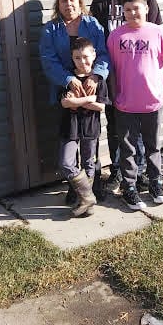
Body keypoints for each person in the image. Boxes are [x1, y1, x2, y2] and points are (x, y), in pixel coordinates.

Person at [90, 0, 162, 192]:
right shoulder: (101, 2)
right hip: (112, 77)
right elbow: (97, 42)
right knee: (114, 124)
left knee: (140, 128)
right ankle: (118, 171)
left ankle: (140, 172)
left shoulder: (147, 0)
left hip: (139, 78)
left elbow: (156, 38)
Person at [107, 0, 163, 210]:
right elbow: (110, 70)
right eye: (127, 10)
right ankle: (129, 188)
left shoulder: (158, 33)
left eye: (136, 8)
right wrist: (113, 96)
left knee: (152, 146)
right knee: (127, 148)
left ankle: (156, 182)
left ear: (146, 8)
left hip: (152, 103)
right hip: (125, 104)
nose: (132, 13)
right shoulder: (116, 36)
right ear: (122, 12)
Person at [39, 0, 110, 201]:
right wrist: (68, 79)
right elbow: (48, 60)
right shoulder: (51, 29)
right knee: (70, 136)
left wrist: (96, 76)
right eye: (63, 1)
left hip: (90, 85)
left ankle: (93, 184)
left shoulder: (92, 24)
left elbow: (104, 54)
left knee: (90, 140)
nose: (68, 4)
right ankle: (77, 187)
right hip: (65, 89)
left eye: (72, 0)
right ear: (57, 5)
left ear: (79, 2)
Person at [59, 37, 110, 216]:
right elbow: (65, 103)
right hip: (70, 127)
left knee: (89, 162)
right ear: (72, 58)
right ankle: (88, 196)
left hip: (90, 127)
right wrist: (88, 99)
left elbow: (101, 106)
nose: (82, 61)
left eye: (86, 57)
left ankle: (86, 203)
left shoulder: (98, 80)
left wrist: (77, 102)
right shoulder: (68, 78)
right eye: (77, 58)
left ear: (94, 55)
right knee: (67, 163)